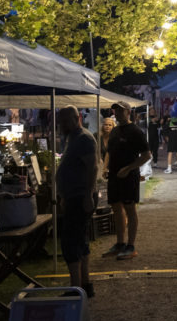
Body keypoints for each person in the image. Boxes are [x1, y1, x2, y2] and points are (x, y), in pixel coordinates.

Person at [55, 106, 98, 298]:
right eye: (60, 122)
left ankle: (75, 289)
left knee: (70, 243)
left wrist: (88, 195)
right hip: (74, 196)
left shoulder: (84, 139)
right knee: (80, 241)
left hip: (81, 197)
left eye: (65, 121)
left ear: (77, 118)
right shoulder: (72, 137)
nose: (62, 125)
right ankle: (84, 285)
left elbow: (92, 168)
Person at [102, 102, 152, 260]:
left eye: (120, 110)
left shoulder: (136, 131)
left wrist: (129, 168)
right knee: (116, 208)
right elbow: (109, 152)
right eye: (115, 110)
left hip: (129, 176)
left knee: (130, 209)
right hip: (114, 176)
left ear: (128, 112)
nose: (116, 112)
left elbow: (146, 155)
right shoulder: (115, 130)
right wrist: (105, 167)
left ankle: (131, 246)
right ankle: (120, 243)